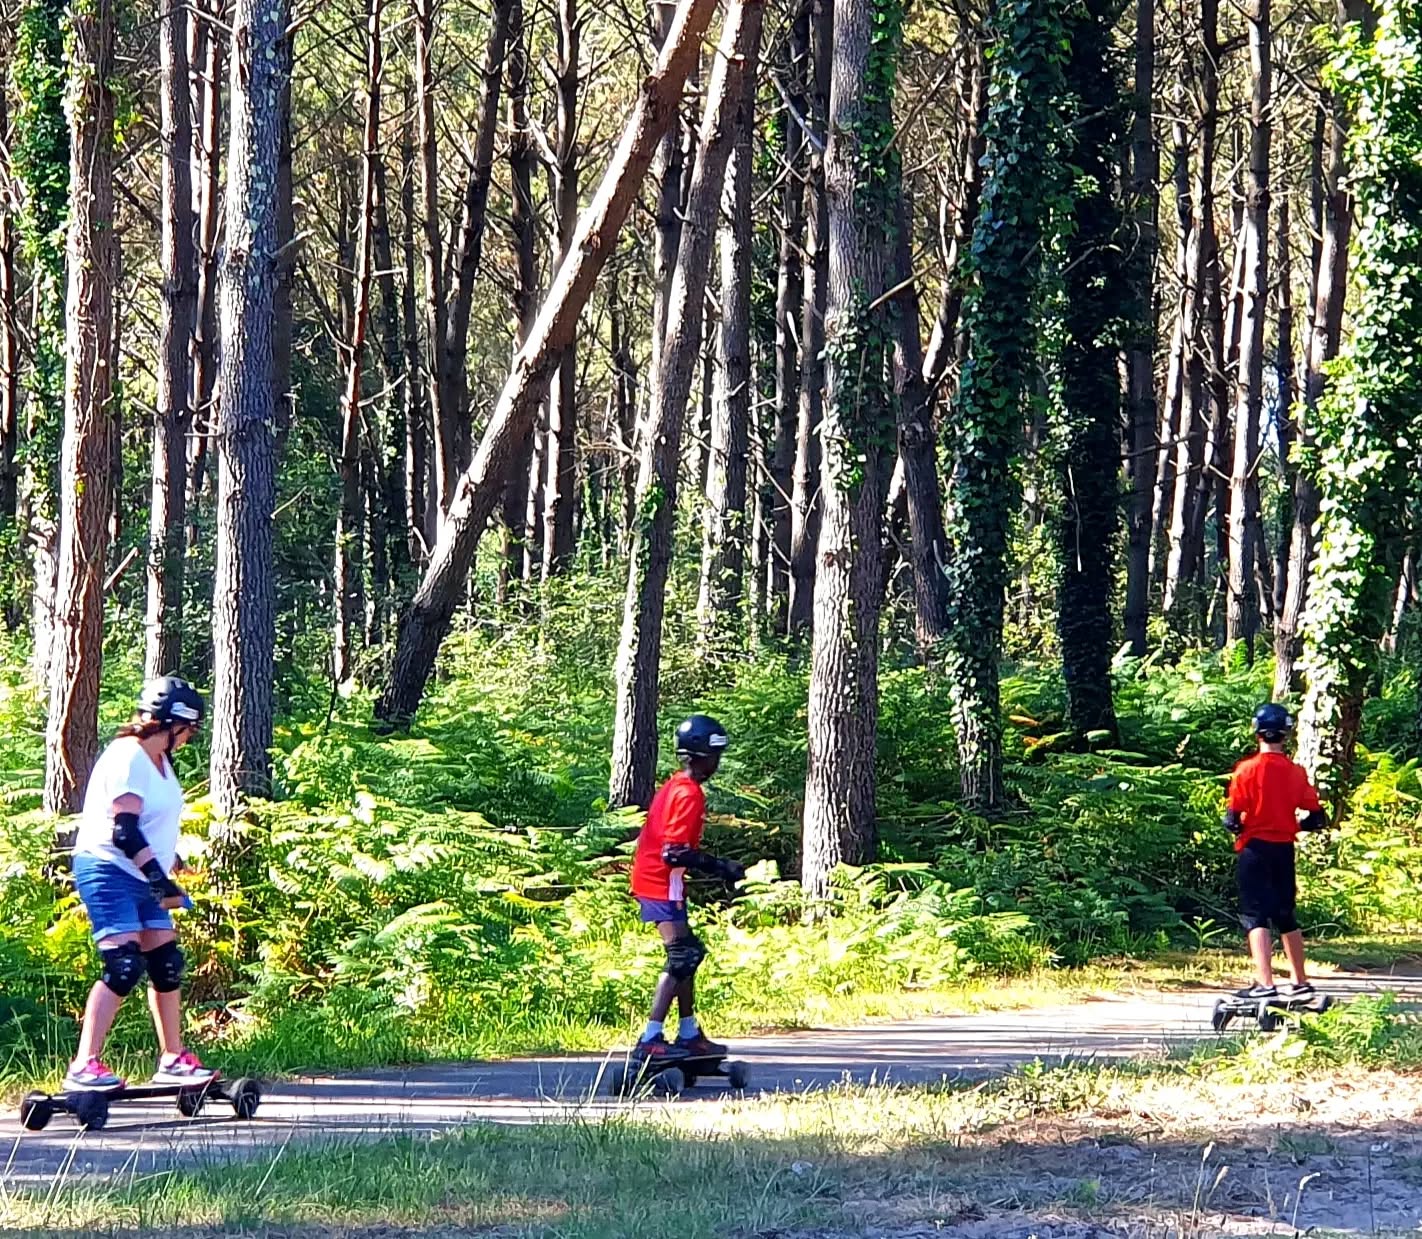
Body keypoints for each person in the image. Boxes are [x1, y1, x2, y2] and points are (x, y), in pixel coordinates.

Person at [63, 676, 217, 1091]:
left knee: (166, 963)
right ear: (173, 724)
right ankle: (84, 1065)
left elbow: (152, 824)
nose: (190, 738)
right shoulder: (128, 756)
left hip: (146, 873)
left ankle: (172, 1058)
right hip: (109, 870)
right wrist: (159, 878)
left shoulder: (160, 763)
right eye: (190, 730)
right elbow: (125, 832)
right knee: (124, 965)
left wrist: (173, 862)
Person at [628, 714, 744, 1063]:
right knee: (683, 956)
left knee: (687, 956)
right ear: (701, 756)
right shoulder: (687, 793)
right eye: (715, 757)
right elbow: (673, 851)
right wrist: (720, 867)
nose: (717, 764)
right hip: (660, 883)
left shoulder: (676, 785)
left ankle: (689, 1033)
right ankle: (650, 1038)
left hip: (662, 882)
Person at [1224, 703, 1328, 1001]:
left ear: (1257, 732)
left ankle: (1265, 983)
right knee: (1285, 914)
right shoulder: (1295, 772)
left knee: (1254, 916)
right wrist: (1294, 824)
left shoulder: (1246, 770)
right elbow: (1316, 817)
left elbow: (1232, 818)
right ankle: (1300, 981)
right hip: (1284, 849)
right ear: (1287, 733)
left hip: (1254, 849)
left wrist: (1240, 826)